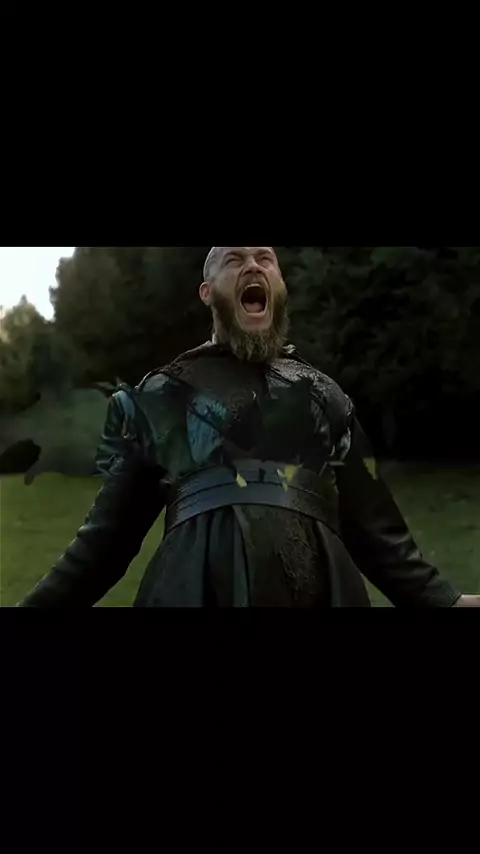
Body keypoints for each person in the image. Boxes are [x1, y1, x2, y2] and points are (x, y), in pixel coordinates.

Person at [19, 247, 479, 607]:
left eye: (265, 258)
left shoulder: (326, 397)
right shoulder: (161, 396)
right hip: (192, 590)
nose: (253, 265)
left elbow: (379, 535)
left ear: (280, 286)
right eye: (234, 259)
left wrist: (447, 602)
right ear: (207, 292)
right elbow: (104, 542)